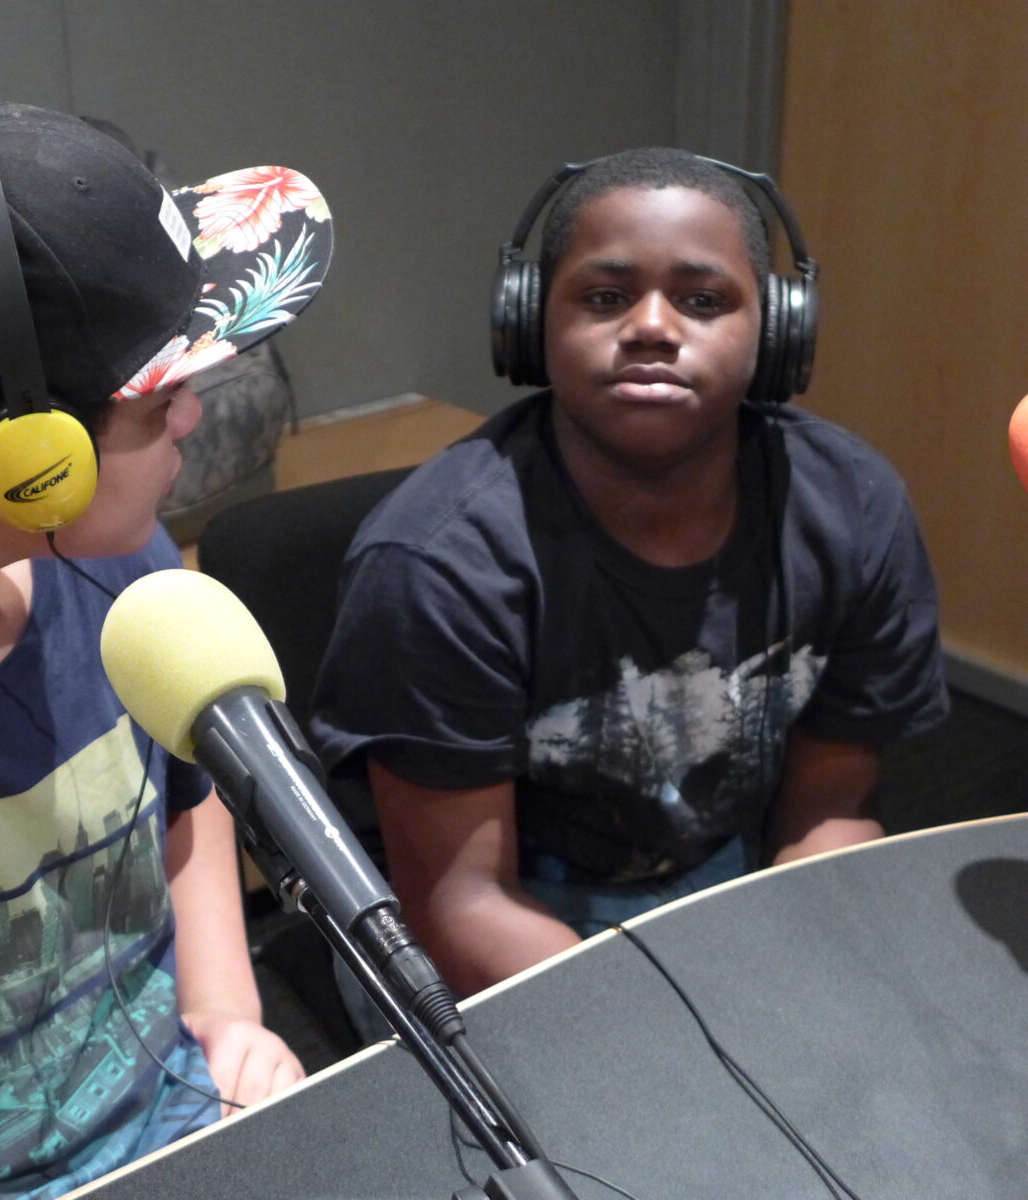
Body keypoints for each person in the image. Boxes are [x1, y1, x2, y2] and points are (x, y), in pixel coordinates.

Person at [0, 100, 332, 1197]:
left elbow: (186, 802)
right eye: (162, 400)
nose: (195, 423)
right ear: (22, 458)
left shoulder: (121, 568)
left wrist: (224, 1017)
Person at [311, 147, 948, 1007]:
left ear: (780, 328)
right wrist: (687, 1032)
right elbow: (461, 910)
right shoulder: (436, 566)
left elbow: (829, 810)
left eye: (703, 299)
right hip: (487, 928)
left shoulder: (853, 510)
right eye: (606, 298)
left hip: (725, 879)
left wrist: (791, 959)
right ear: (531, 322)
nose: (652, 325)